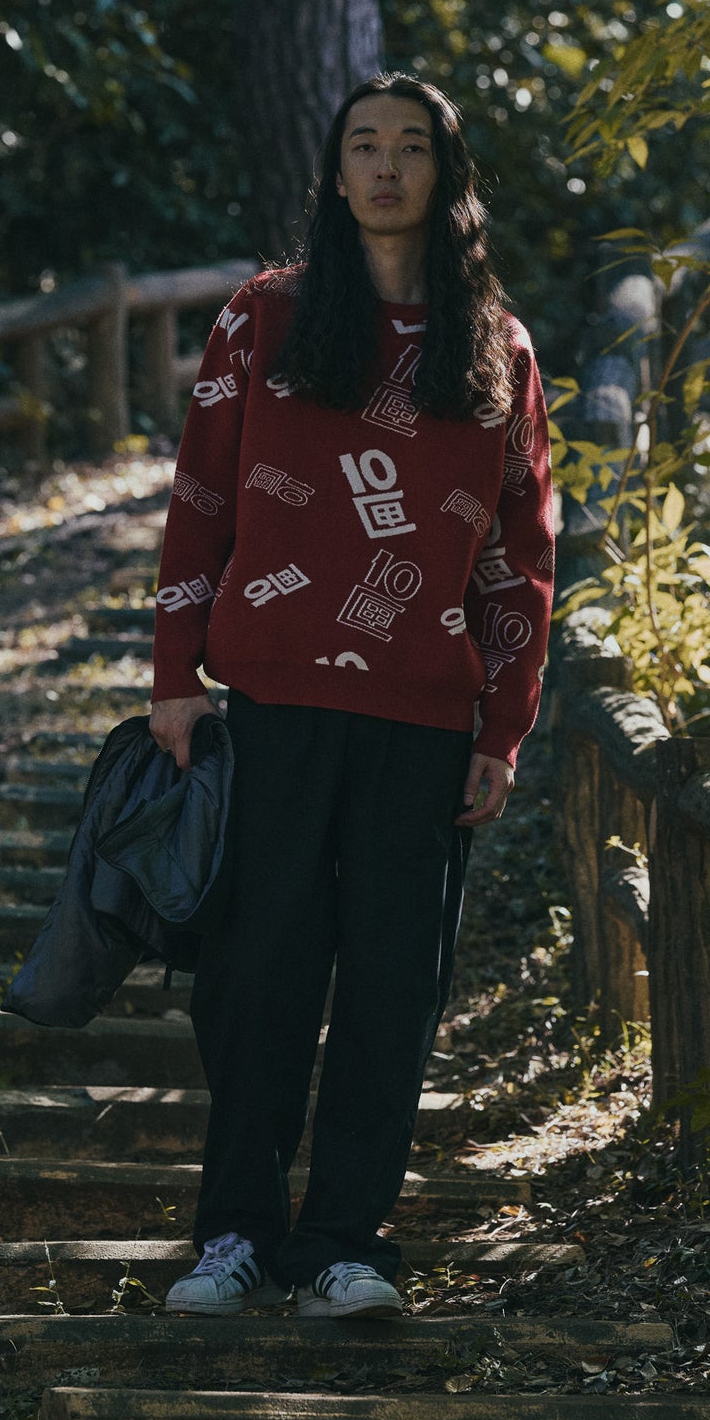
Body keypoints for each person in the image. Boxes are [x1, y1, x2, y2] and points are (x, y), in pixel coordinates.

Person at [148, 72, 555, 1320]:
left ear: (446, 172)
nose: (385, 167)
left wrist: (504, 724)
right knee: (254, 970)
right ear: (333, 174)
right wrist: (174, 676)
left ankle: (346, 1246)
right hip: (268, 699)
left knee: (390, 983)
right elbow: (199, 500)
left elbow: (519, 549)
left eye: (411, 146)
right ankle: (233, 1236)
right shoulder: (263, 320)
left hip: (422, 719)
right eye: (362, 146)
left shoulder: (494, 343)